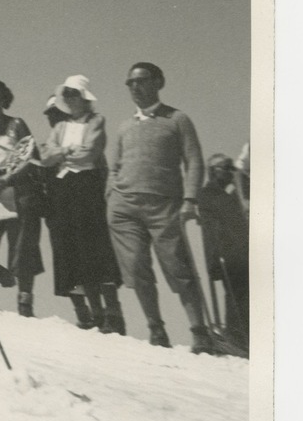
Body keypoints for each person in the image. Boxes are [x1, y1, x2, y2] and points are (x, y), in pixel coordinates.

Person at [106, 62, 214, 354]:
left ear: (158, 83)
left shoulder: (178, 119)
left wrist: (190, 199)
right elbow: (114, 166)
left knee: (179, 268)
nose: (135, 87)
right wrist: (111, 195)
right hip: (124, 208)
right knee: (136, 267)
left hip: (164, 205)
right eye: (130, 83)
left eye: (141, 81)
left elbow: (194, 160)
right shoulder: (124, 126)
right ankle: (156, 330)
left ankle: (199, 332)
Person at [40, 75, 127, 335]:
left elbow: (91, 151)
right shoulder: (61, 126)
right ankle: (96, 313)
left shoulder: (96, 120)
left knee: (96, 248)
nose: (69, 98)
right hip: (66, 189)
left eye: (73, 93)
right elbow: (46, 156)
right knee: (77, 250)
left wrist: (61, 153)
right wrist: (69, 152)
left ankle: (112, 311)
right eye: (66, 94)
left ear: (83, 97)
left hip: (88, 187)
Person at [0, 80, 45, 316]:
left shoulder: (16, 124)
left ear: (4, 99)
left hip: (20, 191)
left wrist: (11, 176)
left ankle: (25, 303)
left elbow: (32, 157)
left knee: (23, 248)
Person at [197, 153, 249, 354]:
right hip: (229, 253)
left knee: (242, 293)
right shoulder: (210, 195)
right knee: (238, 293)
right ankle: (237, 339)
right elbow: (212, 230)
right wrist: (213, 261)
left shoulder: (226, 195)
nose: (230, 172)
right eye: (225, 168)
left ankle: (241, 338)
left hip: (237, 252)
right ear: (213, 171)